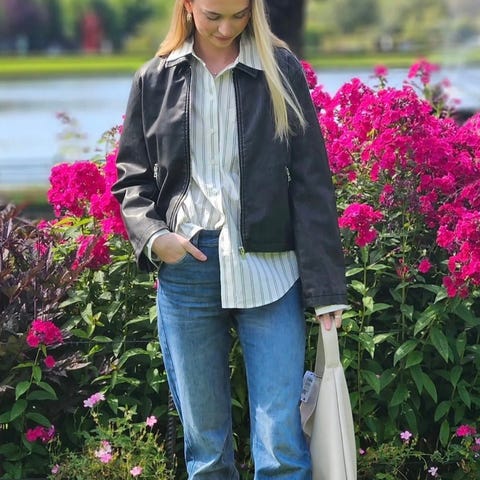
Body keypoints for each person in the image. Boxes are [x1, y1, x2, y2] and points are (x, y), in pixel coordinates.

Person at [112, 0, 347, 478]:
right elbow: (132, 179)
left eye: (239, 14)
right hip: (187, 269)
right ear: (187, 7)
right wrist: (155, 237)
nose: (226, 28)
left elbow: (311, 182)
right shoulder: (154, 78)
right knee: (205, 451)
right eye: (213, 15)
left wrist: (326, 290)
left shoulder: (280, 70)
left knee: (281, 447)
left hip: (271, 270)